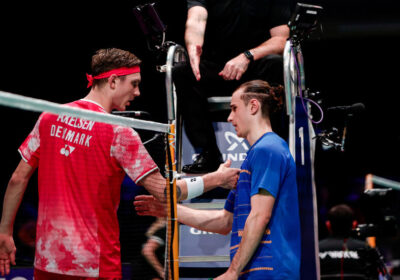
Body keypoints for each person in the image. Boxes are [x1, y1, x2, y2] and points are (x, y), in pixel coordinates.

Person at [0, 48, 240, 279]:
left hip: (48, 261)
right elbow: (167, 193)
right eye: (134, 83)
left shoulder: (49, 116)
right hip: (96, 264)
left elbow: (17, 179)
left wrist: (4, 232)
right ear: (113, 81)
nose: (137, 92)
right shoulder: (118, 131)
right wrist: (216, 178)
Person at [135, 80, 301, 279]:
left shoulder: (268, 149)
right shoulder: (255, 155)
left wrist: (232, 271)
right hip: (255, 271)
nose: (230, 117)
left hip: (272, 270)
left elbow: (259, 216)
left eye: (234, 108)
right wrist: (171, 210)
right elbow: (224, 221)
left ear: (254, 106)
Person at [173, 0, 293, 173]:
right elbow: (196, 19)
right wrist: (193, 47)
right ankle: (207, 153)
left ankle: (271, 147)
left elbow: (281, 39)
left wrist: (247, 56)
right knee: (182, 71)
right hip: (217, 70)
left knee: (275, 63)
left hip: (254, 68)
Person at [319, 204, 382, 279]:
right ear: (354, 225)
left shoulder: (316, 249)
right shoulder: (366, 248)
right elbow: (375, 276)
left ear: (328, 225)